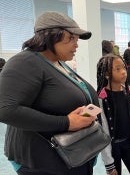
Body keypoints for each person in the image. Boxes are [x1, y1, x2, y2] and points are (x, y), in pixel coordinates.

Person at [0, 11, 99, 175]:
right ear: (52, 36)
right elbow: (5, 109)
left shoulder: (58, 63)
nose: (76, 44)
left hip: (71, 156)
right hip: (43, 163)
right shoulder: (26, 62)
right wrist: (66, 122)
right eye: (71, 38)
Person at [96, 54, 130, 175]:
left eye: (124, 67)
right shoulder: (102, 98)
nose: (124, 72)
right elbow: (103, 131)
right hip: (112, 148)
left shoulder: (128, 92)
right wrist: (109, 164)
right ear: (106, 74)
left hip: (128, 143)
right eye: (117, 69)